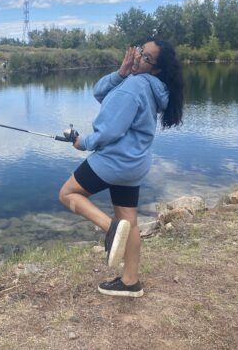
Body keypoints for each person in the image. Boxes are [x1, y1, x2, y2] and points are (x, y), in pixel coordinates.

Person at [59, 38, 184, 297]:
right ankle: (130, 283)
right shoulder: (145, 84)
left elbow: (110, 130)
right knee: (131, 221)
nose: (139, 58)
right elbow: (100, 93)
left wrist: (84, 142)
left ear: (156, 68)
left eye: (146, 58)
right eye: (140, 51)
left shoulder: (135, 86)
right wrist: (120, 73)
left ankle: (111, 229)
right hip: (134, 163)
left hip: (113, 161)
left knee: (68, 194)